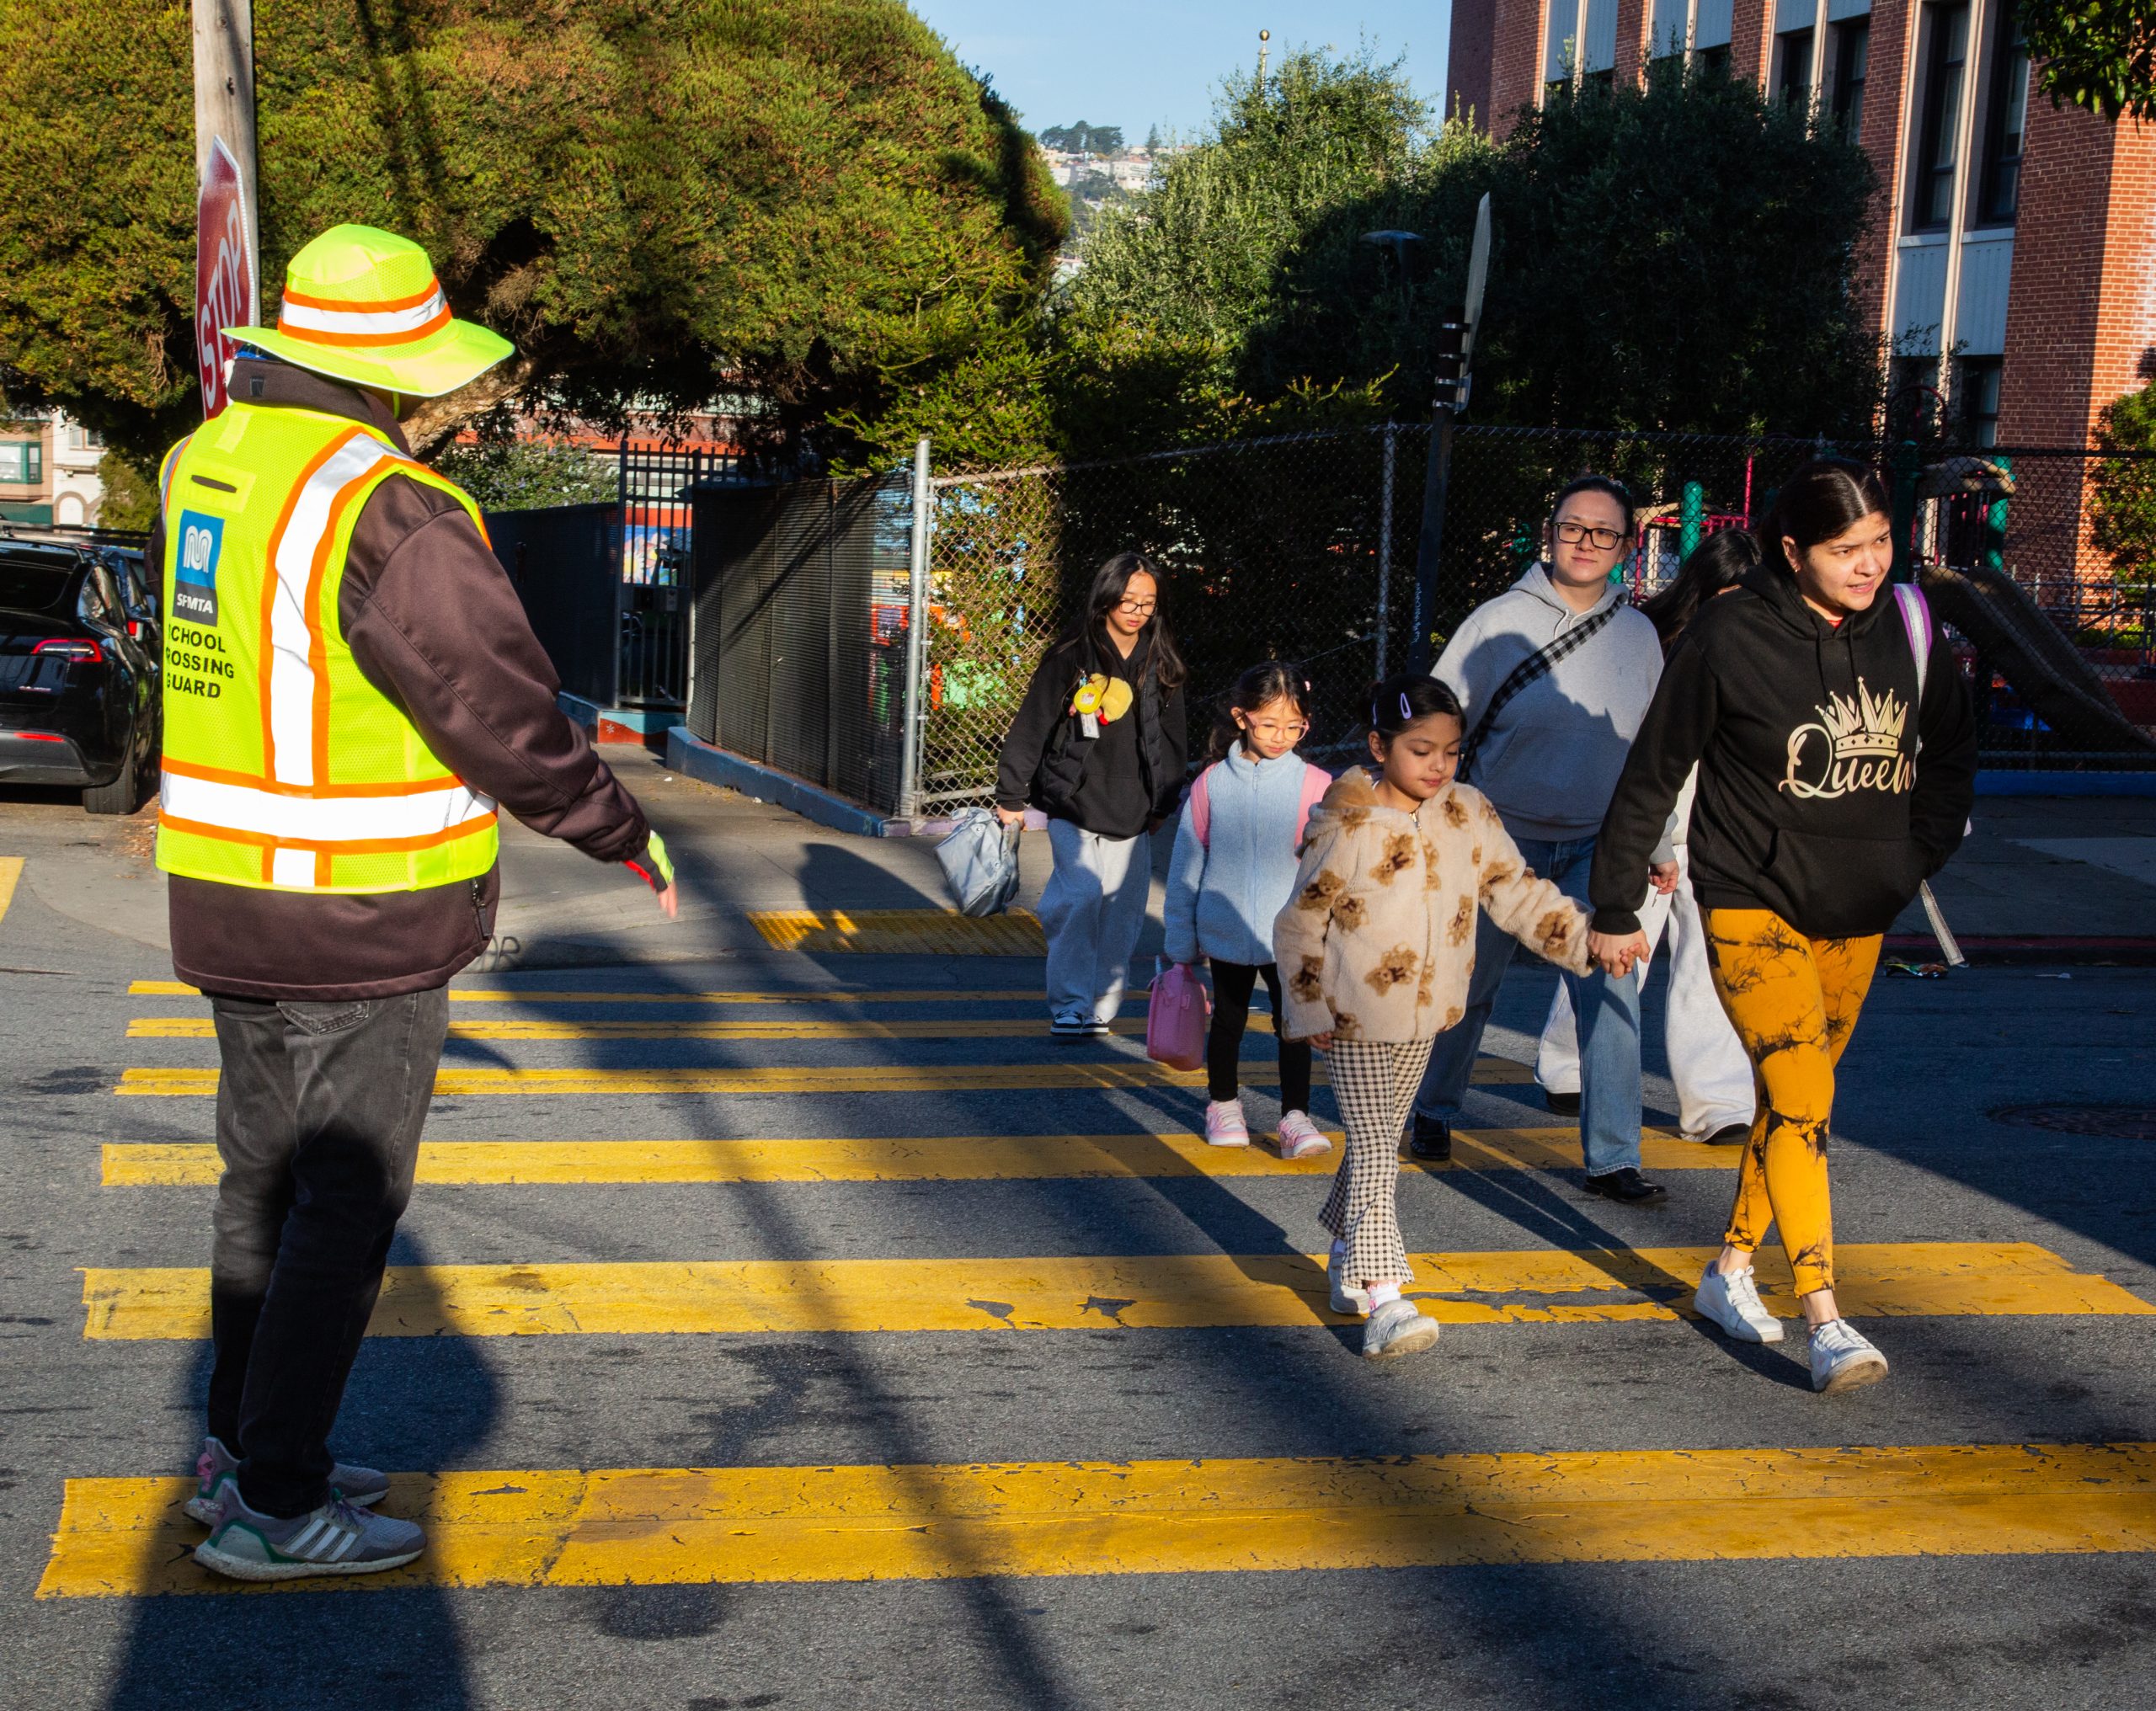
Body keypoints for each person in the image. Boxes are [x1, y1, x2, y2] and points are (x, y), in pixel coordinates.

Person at [152, 225, 677, 1580]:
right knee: (341, 1204)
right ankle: (277, 1502)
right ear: (397, 368)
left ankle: (245, 1451)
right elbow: (493, 704)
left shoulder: (205, 461)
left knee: (258, 1188)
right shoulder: (386, 506)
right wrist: (613, 825)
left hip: (226, 891)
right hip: (363, 911)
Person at [1588, 457, 1977, 1394]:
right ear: (1792, 550)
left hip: (1859, 908)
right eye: (1845, 549)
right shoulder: (1727, 634)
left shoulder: (1915, 627)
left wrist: (1912, 859)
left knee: (1790, 1103)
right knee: (1803, 1097)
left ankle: (1727, 1271)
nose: (1868, 564)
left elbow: (1954, 752)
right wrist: (1612, 904)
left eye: (1880, 542)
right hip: (1747, 896)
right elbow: (1652, 770)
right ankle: (1826, 1317)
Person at [1274, 674, 1593, 1360]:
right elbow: (1298, 922)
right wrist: (1305, 1006)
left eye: (1450, 751)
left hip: (1429, 1017)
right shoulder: (1348, 825)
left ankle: (1341, 1254)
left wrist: (1583, 941)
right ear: (1379, 746)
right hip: (1352, 1012)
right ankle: (1385, 1296)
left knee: (1377, 1141)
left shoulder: (1468, 813)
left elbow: (1514, 890)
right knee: (1376, 1151)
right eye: (1421, 750)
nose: (1438, 766)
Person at [1409, 476, 1670, 1203]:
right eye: (1573, 528)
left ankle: (1613, 1156)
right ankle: (1432, 1107)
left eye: (1604, 533)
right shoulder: (1496, 621)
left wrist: (1661, 843)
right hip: (1501, 843)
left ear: (1626, 546)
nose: (1586, 543)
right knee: (1470, 987)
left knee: (1611, 992)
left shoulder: (1640, 635)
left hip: (1600, 844)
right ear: (1548, 533)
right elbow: (1435, 723)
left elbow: (1654, 751)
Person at [1533, 529, 1759, 1146]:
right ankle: (1567, 1065)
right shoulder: (1650, 641)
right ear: (1702, 592)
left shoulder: (1767, 647)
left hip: (1722, 824)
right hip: (1648, 817)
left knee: (1710, 962)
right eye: (1727, 596)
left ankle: (1718, 1102)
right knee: (1612, 948)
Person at [995, 552, 1188, 1037]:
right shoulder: (1070, 654)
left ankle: (1101, 1004)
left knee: (1122, 911)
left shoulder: (1160, 662)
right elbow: (1033, 723)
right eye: (1128, 600)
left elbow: (1173, 737)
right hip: (1071, 800)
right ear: (1106, 599)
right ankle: (1069, 1003)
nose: (1137, 611)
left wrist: (1164, 801)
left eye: (1148, 603)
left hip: (1135, 806)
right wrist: (1011, 794)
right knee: (1080, 897)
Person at [1162, 662, 1332, 1156]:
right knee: (1228, 1022)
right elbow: (1186, 864)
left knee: (1293, 1025)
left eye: (1293, 726)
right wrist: (1180, 943)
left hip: (1293, 937)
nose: (1282, 736)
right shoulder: (1212, 783)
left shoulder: (1317, 785)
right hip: (1226, 930)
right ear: (1241, 718)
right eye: (1269, 723)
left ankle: (1296, 1118)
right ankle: (1223, 1105)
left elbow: (1334, 870)